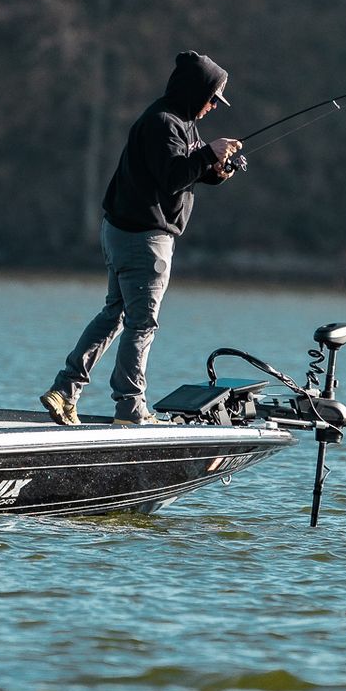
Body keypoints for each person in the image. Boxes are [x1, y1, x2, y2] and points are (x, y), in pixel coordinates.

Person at [40, 51, 243, 426]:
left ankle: (65, 390)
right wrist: (207, 155)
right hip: (144, 239)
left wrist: (216, 169)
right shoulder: (163, 123)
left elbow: (182, 171)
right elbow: (172, 176)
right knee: (142, 323)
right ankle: (130, 409)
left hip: (123, 234)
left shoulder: (178, 120)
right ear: (195, 91)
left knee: (115, 315)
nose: (215, 106)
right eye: (212, 97)